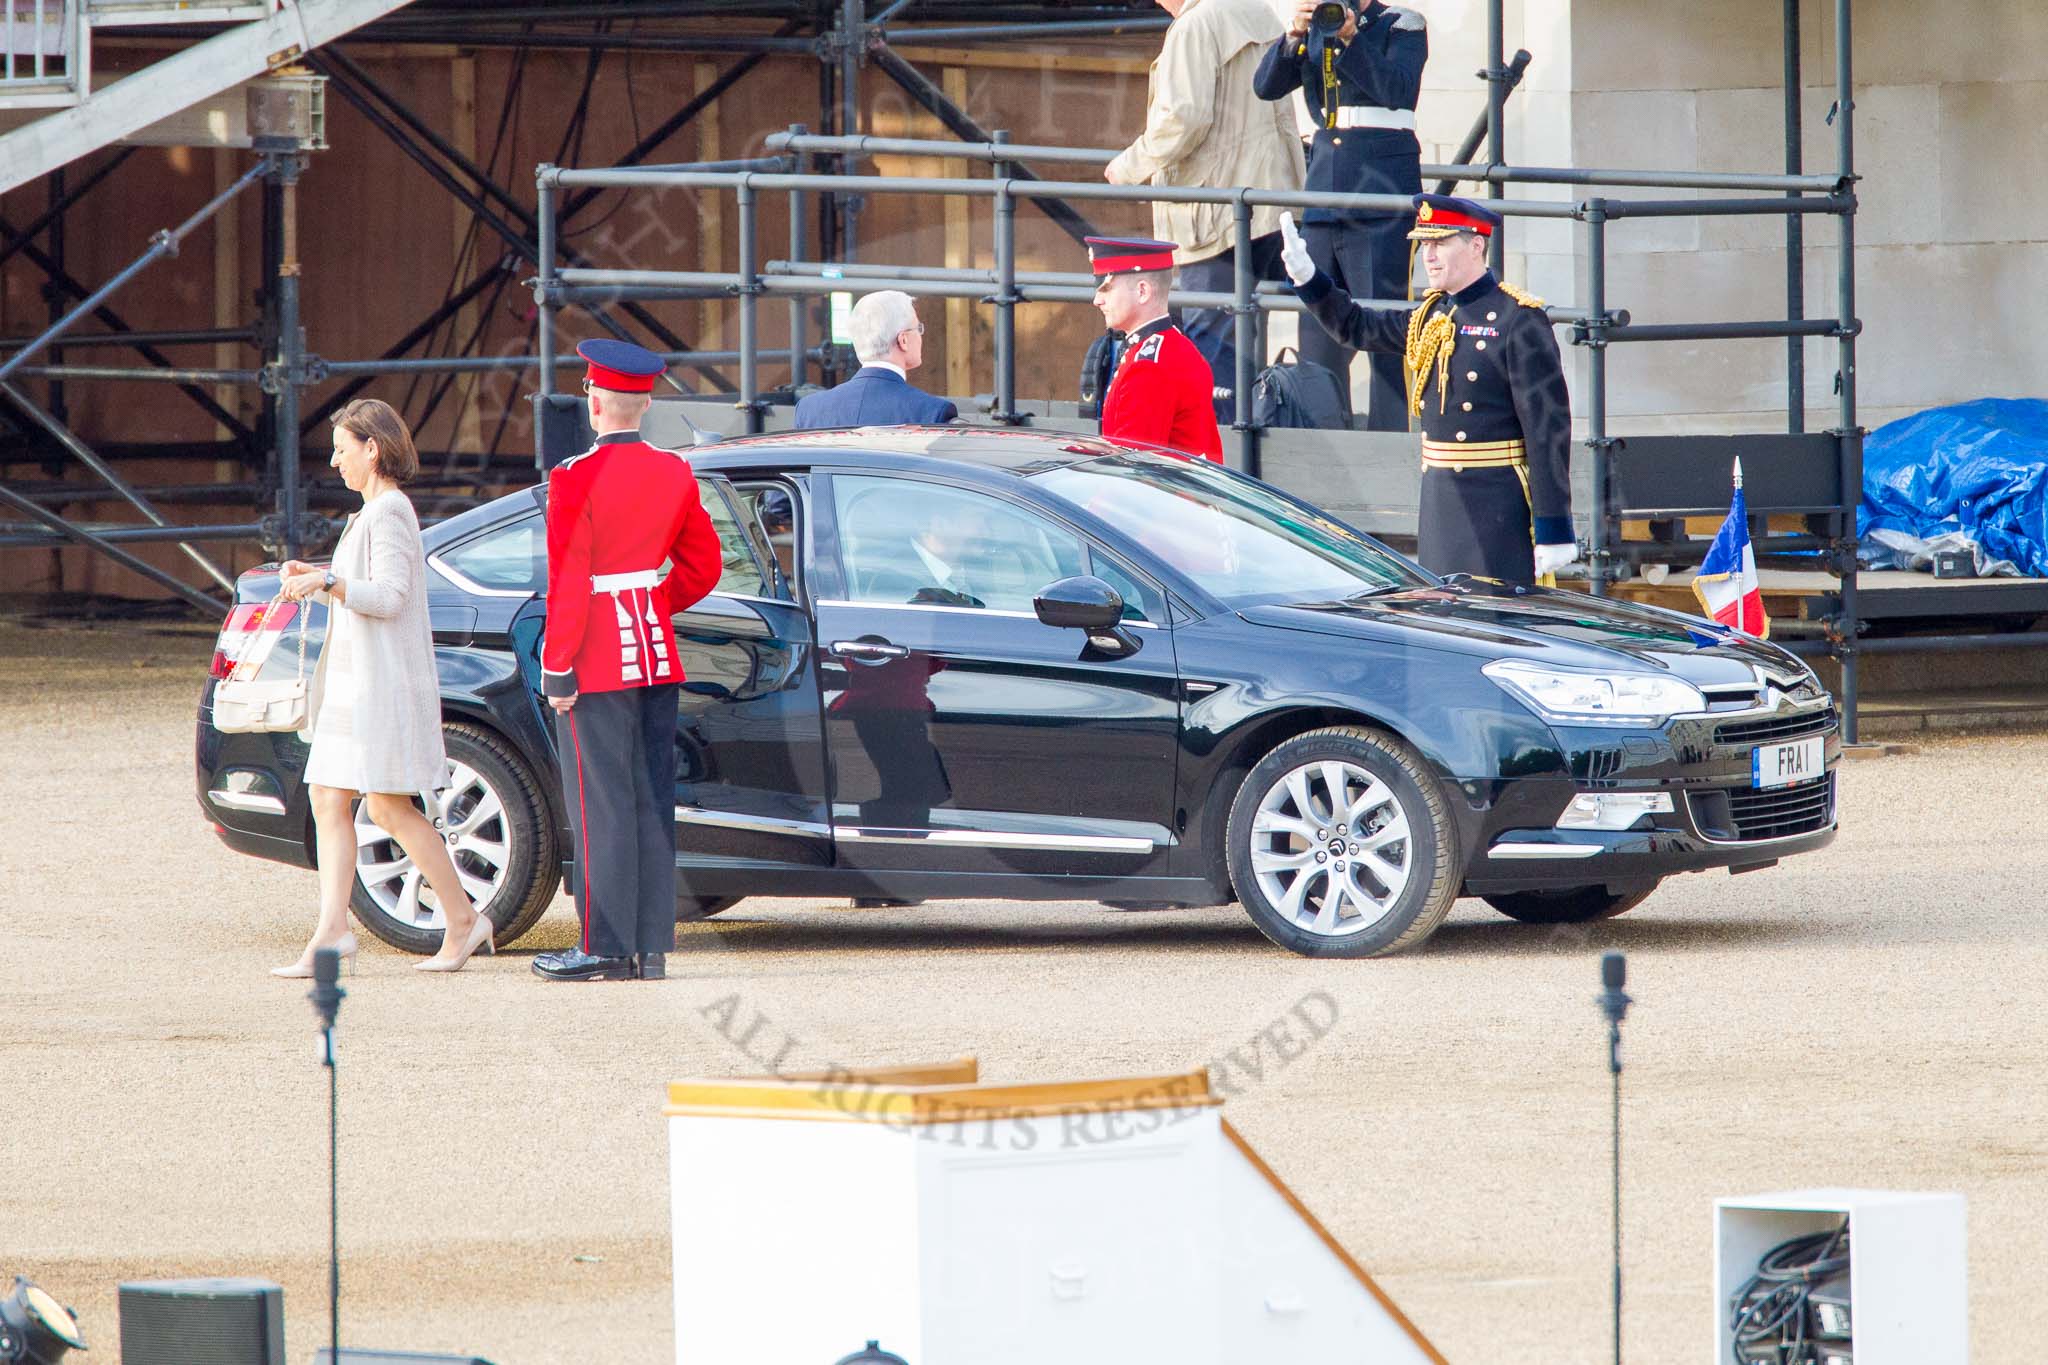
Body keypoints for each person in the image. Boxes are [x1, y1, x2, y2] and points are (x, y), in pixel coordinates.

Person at [273, 398, 490, 976]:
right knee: (328, 797)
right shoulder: (372, 513)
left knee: (389, 808)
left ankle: (464, 920)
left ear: (373, 449)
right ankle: (333, 932)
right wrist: (317, 581)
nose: (336, 461)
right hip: (356, 685)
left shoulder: (390, 511)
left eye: (343, 450)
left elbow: (389, 597)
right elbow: (363, 591)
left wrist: (329, 580)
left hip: (379, 688)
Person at [533, 339, 724, 983]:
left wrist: (557, 665)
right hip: (653, 652)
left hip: (595, 659)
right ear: (643, 404)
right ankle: (650, 948)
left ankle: (605, 947)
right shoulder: (674, 471)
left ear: (596, 401)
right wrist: (651, 598)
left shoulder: (574, 478)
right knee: (649, 799)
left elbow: (569, 580)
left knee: (600, 804)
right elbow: (705, 565)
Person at [1279, 195, 1575, 584]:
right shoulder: (1432, 314)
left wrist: (1553, 527)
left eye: (1441, 243)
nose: (1429, 256)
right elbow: (1357, 327)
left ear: (1476, 244)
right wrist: (1309, 278)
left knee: (1497, 622)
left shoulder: (1518, 320)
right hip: (1440, 499)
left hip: (1496, 503)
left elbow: (1547, 429)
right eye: (1425, 245)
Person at [1105, 0, 1303, 418]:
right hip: (1266, 199)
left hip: (1213, 211)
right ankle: (1240, 442)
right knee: (1241, 335)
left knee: (1210, 346)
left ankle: (1214, 461)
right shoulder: (1254, 10)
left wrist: (1128, 166)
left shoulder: (1195, 25)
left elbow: (1183, 118)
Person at [1255, 0, 1427, 430]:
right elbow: (1265, 86)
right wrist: (1292, 36)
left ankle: (1390, 442)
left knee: (1385, 325)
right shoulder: (1316, 26)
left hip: (1380, 193)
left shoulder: (1401, 23)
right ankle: (1324, 438)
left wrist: (1351, 39)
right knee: (1318, 328)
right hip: (1325, 191)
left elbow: (1395, 90)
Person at [1088, 234, 1224, 462]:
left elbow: (1131, 468)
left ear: (1142, 291)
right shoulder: (1171, 346)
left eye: (1106, 289)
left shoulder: (1148, 366)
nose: (1097, 300)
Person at [794, 291, 958, 428]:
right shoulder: (933, 412)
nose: (921, 336)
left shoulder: (808, 410)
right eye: (918, 328)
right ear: (903, 340)